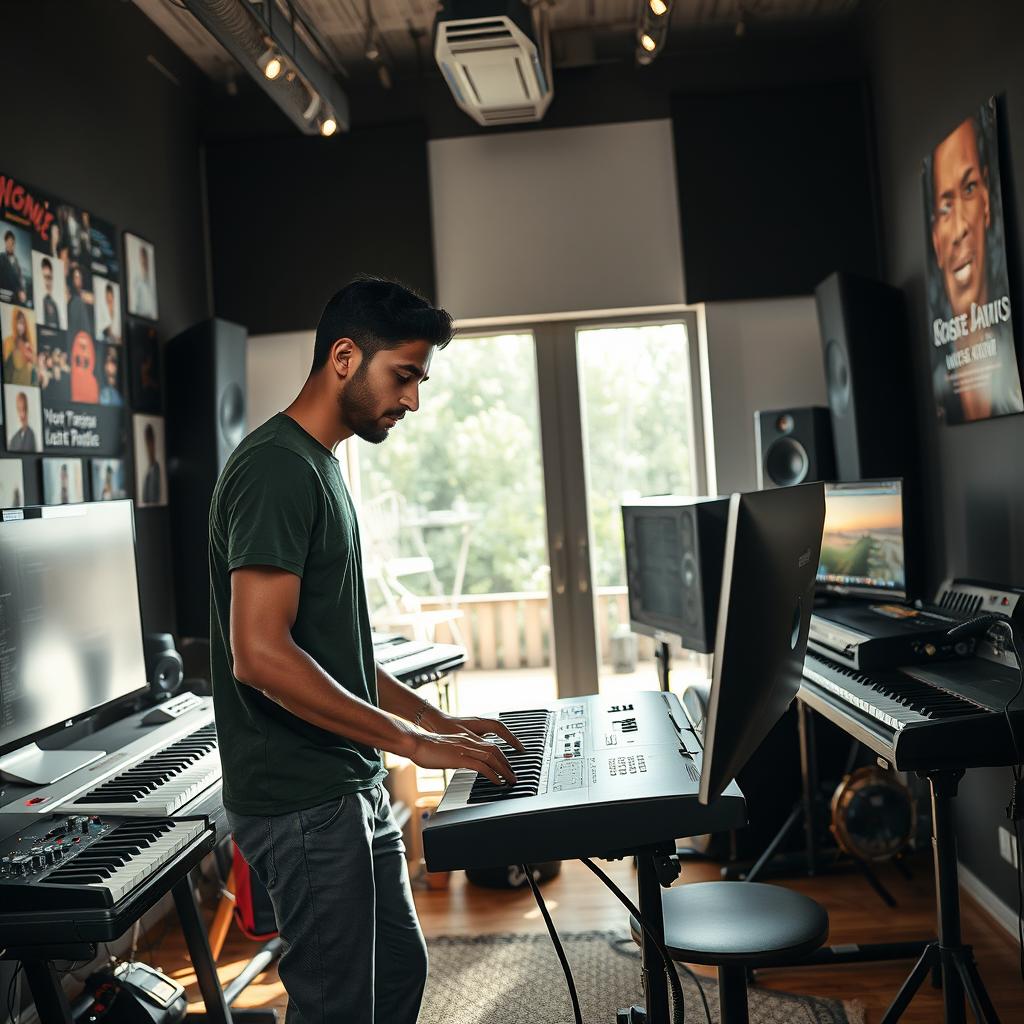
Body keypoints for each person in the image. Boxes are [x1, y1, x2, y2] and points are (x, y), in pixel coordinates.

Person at [210, 277, 522, 1024]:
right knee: (339, 1007)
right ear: (344, 357)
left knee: (397, 975)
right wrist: (415, 743)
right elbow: (258, 653)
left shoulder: (320, 465)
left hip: (346, 783)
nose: (413, 399)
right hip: (301, 799)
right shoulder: (277, 468)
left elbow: (338, 658)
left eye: (419, 379)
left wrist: (441, 726)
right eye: (404, 375)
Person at [928, 114, 1021, 423]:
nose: (959, 230)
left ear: (985, 204)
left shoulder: (1012, 380)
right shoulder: (941, 386)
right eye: (944, 206)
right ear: (936, 244)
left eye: (968, 188)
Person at [3, 309, 38, 386]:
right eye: (19, 322)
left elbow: (34, 365)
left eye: (23, 323)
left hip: (27, 385)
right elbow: (6, 370)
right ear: (14, 322)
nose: (21, 326)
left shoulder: (29, 344)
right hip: (13, 384)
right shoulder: (8, 341)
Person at [0, 230, 27, 304]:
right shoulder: (2, 257)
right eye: (8, 242)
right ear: (5, 243)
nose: (10, 245)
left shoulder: (16, 261)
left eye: (12, 243)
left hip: (15, 297)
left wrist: (22, 291)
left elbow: (20, 278)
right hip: (4, 296)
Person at [67, 265, 93, 340]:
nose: (79, 279)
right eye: (76, 277)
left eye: (80, 277)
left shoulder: (87, 296)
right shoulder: (73, 300)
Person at [131, 243, 156, 318]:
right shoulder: (136, 279)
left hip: (151, 315)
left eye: (144, 257)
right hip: (140, 315)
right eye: (141, 257)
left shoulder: (152, 278)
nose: (143, 260)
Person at [141, 422, 162, 504]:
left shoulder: (155, 468)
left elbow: (153, 499)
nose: (148, 446)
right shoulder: (150, 469)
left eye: (149, 442)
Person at [39, 257, 61, 328]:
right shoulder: (39, 303)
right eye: (45, 277)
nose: (47, 282)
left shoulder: (54, 305)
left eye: (49, 278)